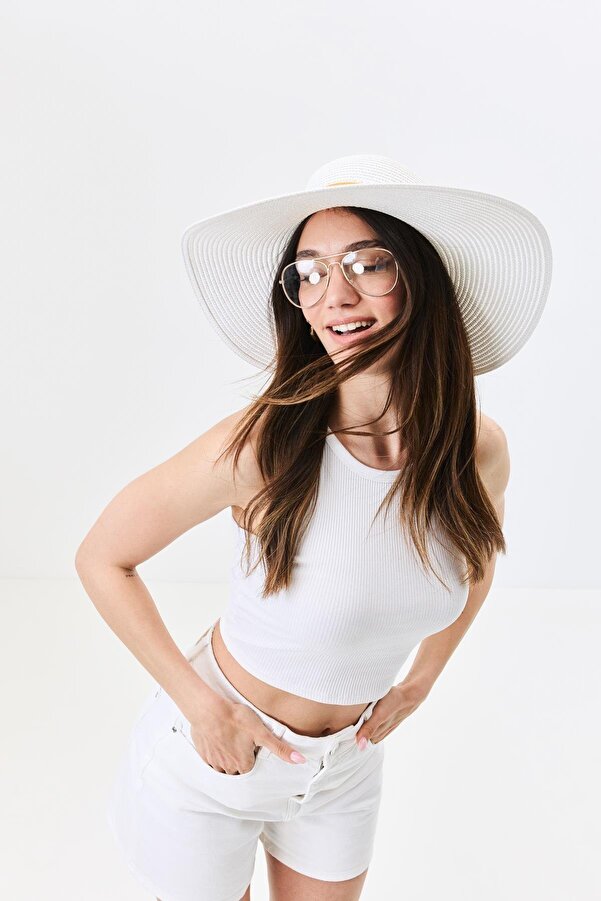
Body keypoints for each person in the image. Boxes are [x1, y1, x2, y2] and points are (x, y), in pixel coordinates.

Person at [74, 153, 552, 901]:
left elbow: (477, 561)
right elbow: (103, 557)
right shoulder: (265, 443)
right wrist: (202, 708)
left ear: (421, 279)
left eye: (368, 264)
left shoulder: (474, 448)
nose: (335, 295)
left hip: (343, 770)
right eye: (310, 272)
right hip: (214, 760)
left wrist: (421, 680)